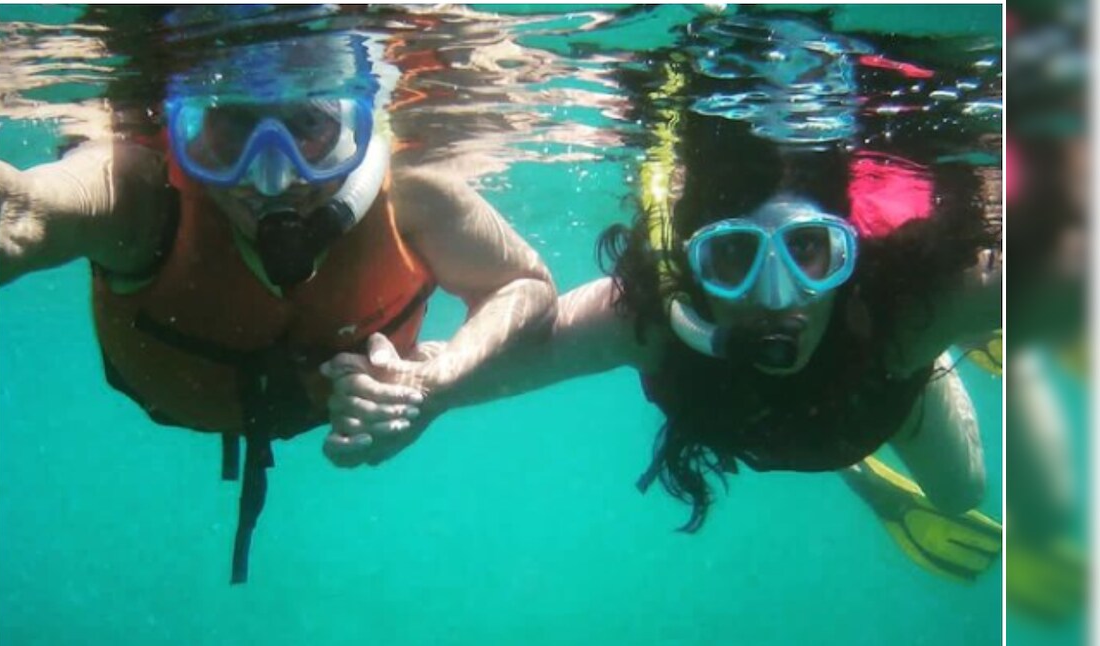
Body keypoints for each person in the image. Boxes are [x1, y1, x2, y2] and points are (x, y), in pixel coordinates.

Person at [321, 15, 1006, 584]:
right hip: (834, 413)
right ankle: (857, 456)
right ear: (692, 263)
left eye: (808, 250)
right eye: (733, 256)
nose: (777, 297)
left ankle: (941, 368)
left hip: (882, 384)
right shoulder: (650, 318)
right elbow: (516, 351)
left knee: (963, 492)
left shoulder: (908, 308)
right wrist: (421, 386)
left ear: (845, 253)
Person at [0, 28, 556, 583]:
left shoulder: (412, 198)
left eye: (309, 125)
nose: (272, 176)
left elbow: (526, 284)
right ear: (185, 133)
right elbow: (32, 210)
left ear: (355, 127)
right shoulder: (144, 196)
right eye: (231, 126)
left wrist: (433, 381)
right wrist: (4, 219)